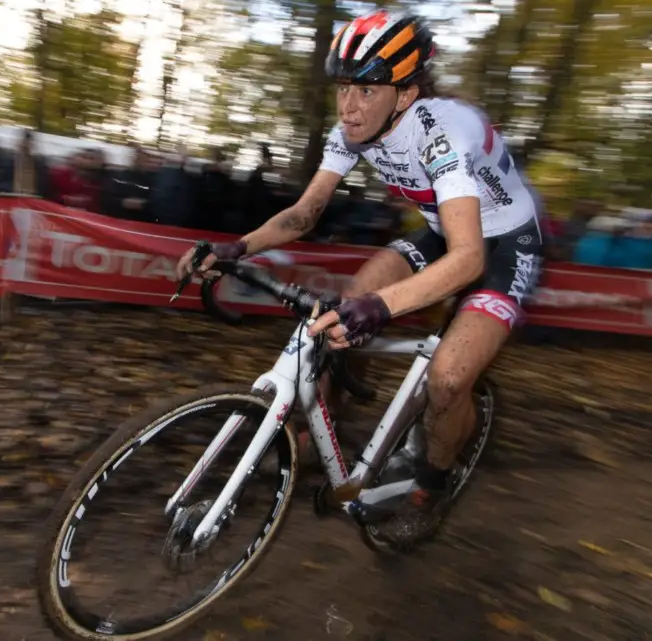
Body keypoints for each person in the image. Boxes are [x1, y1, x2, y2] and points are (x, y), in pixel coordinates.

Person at [175, 9, 545, 549]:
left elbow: (468, 260)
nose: (349, 105)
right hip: (446, 229)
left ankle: (431, 487)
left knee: (446, 378)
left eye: (367, 90)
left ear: (405, 93)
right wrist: (236, 247)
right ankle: (324, 424)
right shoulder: (352, 130)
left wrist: (383, 306)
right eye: (344, 87)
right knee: (344, 304)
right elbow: (304, 215)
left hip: (504, 244)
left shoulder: (443, 131)